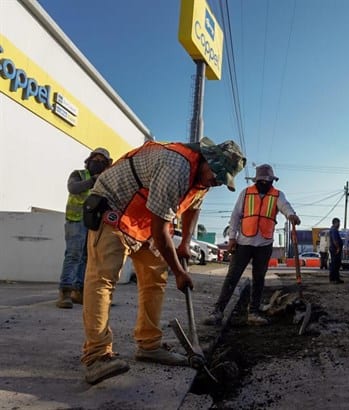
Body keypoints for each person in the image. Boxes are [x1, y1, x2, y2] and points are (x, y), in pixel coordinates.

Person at [80, 137, 246, 385]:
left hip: (141, 223)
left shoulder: (202, 180)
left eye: (223, 179)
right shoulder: (176, 166)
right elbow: (160, 231)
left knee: (154, 280)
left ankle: (148, 345)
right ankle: (96, 356)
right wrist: (179, 271)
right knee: (102, 280)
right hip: (113, 210)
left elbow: (192, 208)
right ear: (207, 160)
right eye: (217, 175)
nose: (217, 182)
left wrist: (185, 243)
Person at [204, 164, 300, 326]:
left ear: (271, 181)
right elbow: (235, 216)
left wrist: (292, 215)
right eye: (261, 181)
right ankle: (217, 311)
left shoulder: (277, 195)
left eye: (267, 181)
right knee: (232, 277)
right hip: (243, 243)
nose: (264, 183)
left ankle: (253, 312)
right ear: (256, 180)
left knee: (259, 279)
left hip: (264, 243)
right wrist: (232, 238)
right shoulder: (246, 193)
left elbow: (285, 207)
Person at [57, 147, 112, 309]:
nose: (98, 163)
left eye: (102, 161)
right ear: (88, 161)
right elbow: (73, 188)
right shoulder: (78, 174)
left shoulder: (106, 179)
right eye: (96, 160)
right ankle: (65, 292)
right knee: (74, 255)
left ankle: (78, 291)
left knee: (86, 258)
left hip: (94, 222)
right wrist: (93, 180)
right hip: (76, 221)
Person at [328, 217, 343, 284]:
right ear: (335, 223)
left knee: (335, 264)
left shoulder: (333, 229)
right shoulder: (334, 230)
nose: (339, 224)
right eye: (338, 223)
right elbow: (335, 240)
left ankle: (333, 278)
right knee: (336, 264)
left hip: (333, 249)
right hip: (335, 249)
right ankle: (335, 279)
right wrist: (338, 248)